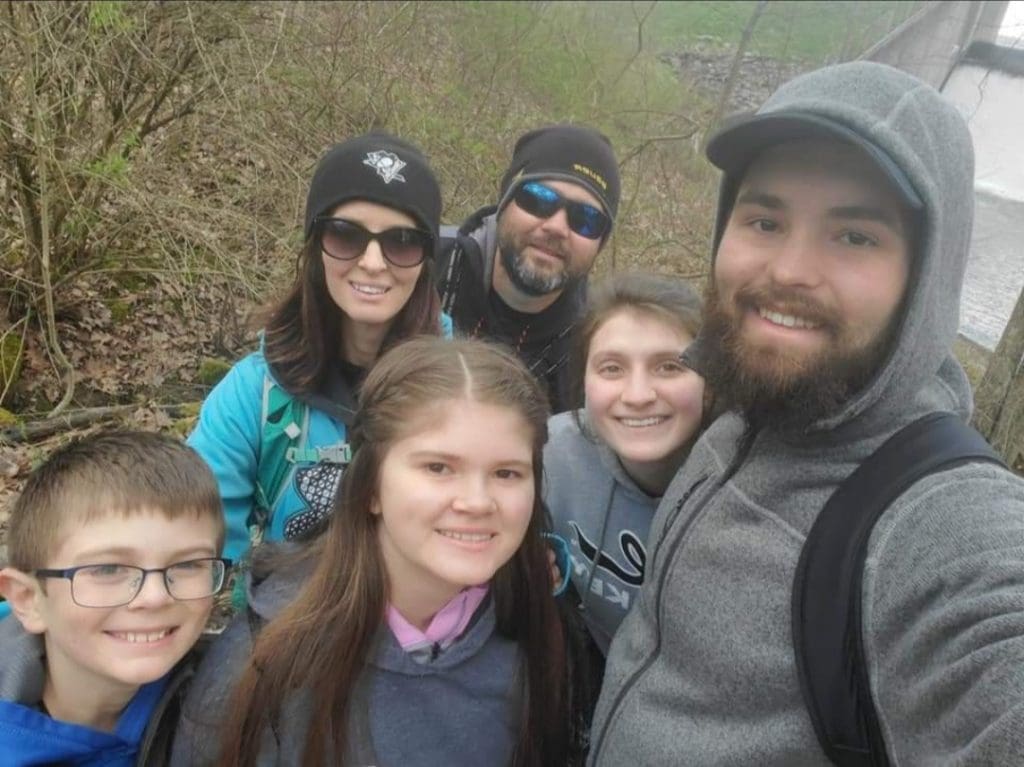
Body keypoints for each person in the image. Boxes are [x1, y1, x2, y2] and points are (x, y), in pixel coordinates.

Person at [589, 61, 1024, 765]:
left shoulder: (936, 528)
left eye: (855, 236)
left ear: (928, 277)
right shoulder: (745, 406)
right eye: (765, 220)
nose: (789, 270)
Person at [171, 337, 586, 767]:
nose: (477, 502)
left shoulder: (540, 637)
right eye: (438, 467)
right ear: (370, 487)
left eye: (506, 473)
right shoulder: (263, 663)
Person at [188, 133, 447, 563]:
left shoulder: (462, 389)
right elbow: (192, 534)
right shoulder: (254, 393)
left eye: (402, 241)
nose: (373, 263)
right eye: (345, 235)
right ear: (315, 246)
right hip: (287, 603)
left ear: (426, 260)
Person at [0, 430, 228, 767]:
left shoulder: (239, 706)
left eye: (188, 564)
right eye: (108, 569)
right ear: (28, 599)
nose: (155, 597)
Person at [544, 272, 706, 656]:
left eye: (670, 366)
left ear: (711, 379)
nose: (637, 395)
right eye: (612, 368)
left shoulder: (752, 491)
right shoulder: (554, 454)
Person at [437, 124, 621, 413]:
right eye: (538, 199)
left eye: (586, 219)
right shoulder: (420, 265)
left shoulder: (595, 349)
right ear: (504, 203)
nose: (557, 227)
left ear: (600, 243)